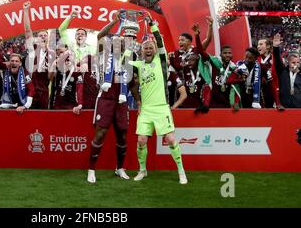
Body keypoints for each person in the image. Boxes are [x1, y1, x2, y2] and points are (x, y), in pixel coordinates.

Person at [129, 19, 188, 184]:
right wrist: (128, 47)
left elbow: (160, 41)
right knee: (141, 140)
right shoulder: (138, 64)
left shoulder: (160, 61)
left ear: (155, 50)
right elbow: (123, 65)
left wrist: (152, 25)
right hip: (146, 109)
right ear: (142, 51)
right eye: (145, 48)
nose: (148, 49)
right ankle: (142, 170)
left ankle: (181, 172)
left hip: (162, 108)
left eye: (150, 48)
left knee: (170, 139)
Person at [86, 14, 138, 184]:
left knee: (122, 135)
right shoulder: (104, 53)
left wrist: (138, 100)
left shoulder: (130, 59)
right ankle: (91, 170)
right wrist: (114, 22)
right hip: (106, 99)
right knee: (100, 134)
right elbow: (100, 36)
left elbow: (131, 83)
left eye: (123, 42)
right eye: (117, 41)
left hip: (122, 102)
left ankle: (119, 168)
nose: (120, 44)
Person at [192, 23, 238, 110]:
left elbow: (235, 88)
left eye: (229, 53)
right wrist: (197, 36)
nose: (227, 55)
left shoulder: (234, 68)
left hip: (227, 105)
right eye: (225, 53)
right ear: (220, 54)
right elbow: (201, 51)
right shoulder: (214, 61)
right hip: (211, 104)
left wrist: (235, 102)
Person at [23, 1, 56, 109]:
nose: (42, 37)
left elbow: (49, 78)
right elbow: (28, 30)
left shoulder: (52, 53)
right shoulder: (33, 49)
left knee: (43, 119)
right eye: (40, 35)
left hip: (44, 91)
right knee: (30, 118)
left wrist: (53, 68)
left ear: (48, 38)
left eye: (45, 35)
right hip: (31, 90)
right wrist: (26, 10)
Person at [49, 49, 84, 113]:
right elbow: (50, 77)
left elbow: (80, 89)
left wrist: (80, 105)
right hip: (57, 107)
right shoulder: (59, 70)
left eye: (71, 56)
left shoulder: (77, 73)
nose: (68, 58)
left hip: (70, 107)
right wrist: (66, 54)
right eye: (67, 57)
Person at [273, 33, 301, 108]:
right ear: (288, 62)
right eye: (293, 62)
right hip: (284, 108)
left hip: (299, 109)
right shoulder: (282, 72)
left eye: (298, 62)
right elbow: (277, 60)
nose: (295, 64)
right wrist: (276, 47)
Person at [257, 38, 284, 110]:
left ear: (268, 46)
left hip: (274, 91)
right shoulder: (256, 59)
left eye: (261, 44)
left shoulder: (276, 58)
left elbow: (281, 72)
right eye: (258, 44)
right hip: (260, 92)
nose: (258, 46)